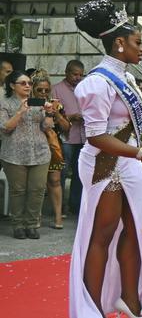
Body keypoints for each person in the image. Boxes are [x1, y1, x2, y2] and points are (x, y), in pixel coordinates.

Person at [68, 0, 142, 318]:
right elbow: (96, 136)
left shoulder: (125, 77)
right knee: (104, 233)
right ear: (119, 44)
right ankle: (93, 308)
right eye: (139, 43)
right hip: (104, 164)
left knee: (137, 230)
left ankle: (130, 299)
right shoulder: (96, 83)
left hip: (129, 161)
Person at [1, 71, 53, 238]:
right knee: (18, 190)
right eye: (22, 83)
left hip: (40, 153)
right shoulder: (5, 103)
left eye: (29, 83)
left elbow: (46, 127)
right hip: (14, 154)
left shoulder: (38, 103)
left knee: (37, 189)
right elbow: (5, 127)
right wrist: (20, 111)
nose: (27, 86)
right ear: (12, 85)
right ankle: (18, 225)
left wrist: (50, 112)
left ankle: (32, 225)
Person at [31, 75, 71, 229]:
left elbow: (67, 128)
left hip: (53, 147)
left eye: (46, 90)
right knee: (37, 183)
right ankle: (36, 217)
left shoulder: (56, 105)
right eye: (39, 89)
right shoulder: (29, 105)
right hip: (33, 147)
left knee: (55, 181)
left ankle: (58, 217)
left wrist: (56, 113)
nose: (42, 92)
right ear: (33, 89)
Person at [52, 60, 86, 215]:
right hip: (66, 138)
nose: (78, 77)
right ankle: (60, 207)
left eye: (81, 74)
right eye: (75, 74)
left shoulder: (85, 89)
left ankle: (75, 205)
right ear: (66, 72)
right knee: (62, 173)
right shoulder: (56, 90)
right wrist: (71, 117)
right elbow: (52, 114)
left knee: (80, 174)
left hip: (83, 138)